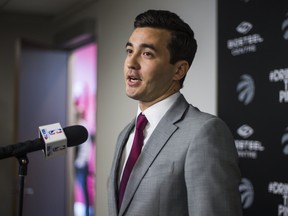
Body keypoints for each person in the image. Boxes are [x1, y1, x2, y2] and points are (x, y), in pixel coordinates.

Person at [108, 9, 243, 216]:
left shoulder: (205, 133)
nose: (131, 63)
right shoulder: (125, 134)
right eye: (129, 51)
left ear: (179, 70)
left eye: (146, 54)